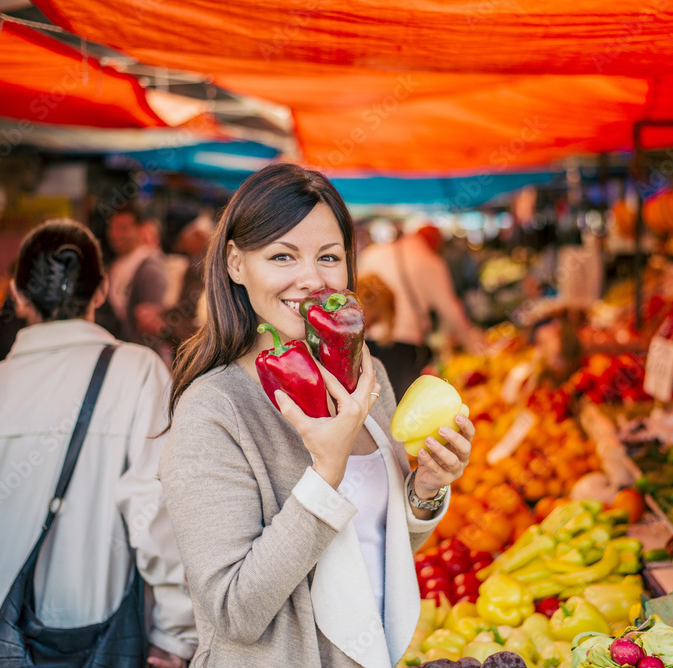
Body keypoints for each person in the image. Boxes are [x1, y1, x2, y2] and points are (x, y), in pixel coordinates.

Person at [158, 163, 473, 668]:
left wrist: (425, 489)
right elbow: (233, 612)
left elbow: (374, 547)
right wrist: (326, 473)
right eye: (282, 256)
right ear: (236, 264)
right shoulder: (214, 410)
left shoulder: (369, 376)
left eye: (329, 257)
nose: (311, 279)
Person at [0, 220, 197, 668]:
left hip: (3, 643)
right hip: (110, 642)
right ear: (101, 289)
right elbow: (161, 513)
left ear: (18, 294)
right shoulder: (137, 372)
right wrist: (175, 635)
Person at [357, 223, 484, 401]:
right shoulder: (430, 262)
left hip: (365, 340)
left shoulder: (373, 253)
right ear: (435, 242)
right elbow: (451, 310)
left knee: (371, 403)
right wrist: (472, 345)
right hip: (403, 347)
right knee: (400, 403)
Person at [134, 201, 211, 361]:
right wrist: (161, 313)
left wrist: (163, 328)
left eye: (181, 241)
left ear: (198, 234)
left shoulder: (215, 268)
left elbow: (205, 328)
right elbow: (187, 308)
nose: (179, 248)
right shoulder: (196, 263)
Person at [105, 204, 169, 351]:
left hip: (140, 353)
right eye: (113, 228)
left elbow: (151, 322)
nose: (116, 234)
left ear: (139, 229)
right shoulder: (114, 265)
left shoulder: (149, 266)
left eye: (124, 228)